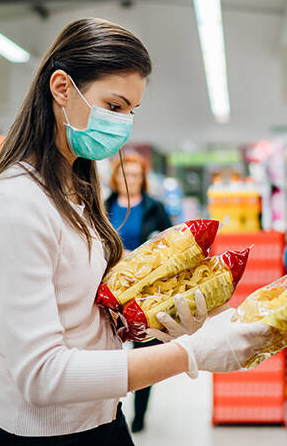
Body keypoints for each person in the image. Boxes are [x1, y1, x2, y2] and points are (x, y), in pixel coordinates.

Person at [0, 18, 270, 445]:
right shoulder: (16, 204)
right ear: (62, 88)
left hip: (102, 420)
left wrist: (168, 315)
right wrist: (189, 355)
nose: (124, 125)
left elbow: (83, 312)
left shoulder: (75, 189)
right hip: (42, 437)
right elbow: (42, 375)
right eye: (114, 106)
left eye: (131, 111)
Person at [105, 153, 171, 433]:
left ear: (142, 179)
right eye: (124, 174)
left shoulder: (155, 207)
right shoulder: (103, 205)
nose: (129, 180)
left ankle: (139, 413)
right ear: (115, 177)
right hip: (110, 290)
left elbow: (170, 245)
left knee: (144, 351)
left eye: (135, 175)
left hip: (145, 291)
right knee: (109, 350)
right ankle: (110, 408)